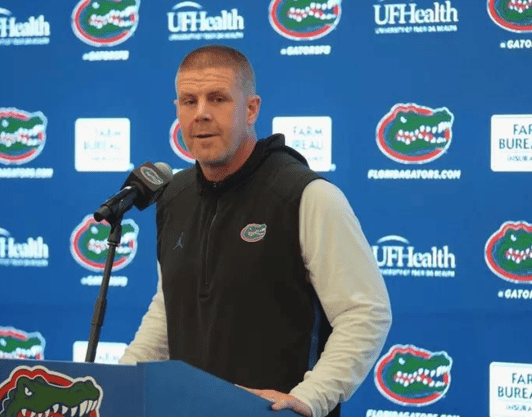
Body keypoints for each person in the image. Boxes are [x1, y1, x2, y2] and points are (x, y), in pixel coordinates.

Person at [119, 44, 392, 417]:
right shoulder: (172, 197)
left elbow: (365, 313)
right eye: (188, 101)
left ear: (251, 109)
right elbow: (169, 308)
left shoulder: (307, 196)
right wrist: (120, 383)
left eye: (217, 99)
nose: (201, 114)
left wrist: (311, 397)